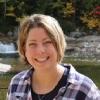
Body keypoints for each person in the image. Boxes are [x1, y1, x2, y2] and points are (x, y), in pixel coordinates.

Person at [6, 14, 100, 100]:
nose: (40, 50)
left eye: (47, 42)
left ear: (58, 44)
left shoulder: (84, 89)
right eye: (32, 44)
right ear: (24, 48)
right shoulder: (16, 83)